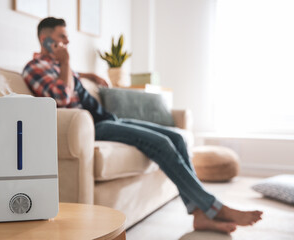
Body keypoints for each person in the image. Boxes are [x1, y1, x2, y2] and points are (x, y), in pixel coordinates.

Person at [22, 17, 263, 234]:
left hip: (106, 118)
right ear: (46, 40)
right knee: (162, 143)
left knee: (177, 138)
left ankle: (199, 215)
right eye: (62, 36)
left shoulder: (60, 66)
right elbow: (62, 99)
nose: (67, 41)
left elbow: (71, 79)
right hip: (91, 128)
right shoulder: (34, 69)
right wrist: (66, 63)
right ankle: (214, 206)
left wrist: (90, 75)